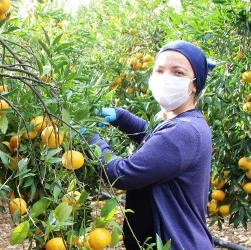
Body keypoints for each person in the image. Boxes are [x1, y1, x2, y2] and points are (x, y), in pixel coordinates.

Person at [90, 40, 214, 249]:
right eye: (160, 70)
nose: (166, 78)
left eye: (178, 73)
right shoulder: (186, 122)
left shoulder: (183, 132)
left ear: (194, 84)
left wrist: (90, 138)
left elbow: (122, 174)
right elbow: (154, 139)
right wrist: (120, 117)